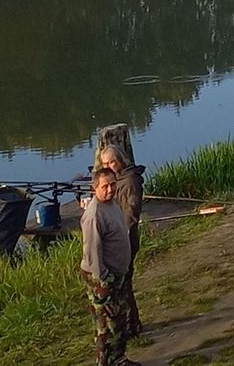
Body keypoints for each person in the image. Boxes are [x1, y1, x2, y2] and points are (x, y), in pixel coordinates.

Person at [81, 167, 135, 366]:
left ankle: (118, 359)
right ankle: (104, 362)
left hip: (118, 273)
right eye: (105, 186)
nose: (110, 189)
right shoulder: (93, 215)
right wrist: (104, 278)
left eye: (113, 184)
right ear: (95, 187)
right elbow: (93, 253)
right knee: (105, 325)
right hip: (102, 278)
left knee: (119, 319)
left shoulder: (112, 204)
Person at [100, 145, 144, 339]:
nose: (109, 166)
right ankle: (131, 324)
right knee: (121, 284)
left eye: (112, 162)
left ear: (121, 160)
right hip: (116, 241)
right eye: (105, 164)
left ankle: (131, 325)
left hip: (126, 241)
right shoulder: (115, 182)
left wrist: (120, 237)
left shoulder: (131, 181)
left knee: (124, 283)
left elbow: (131, 215)